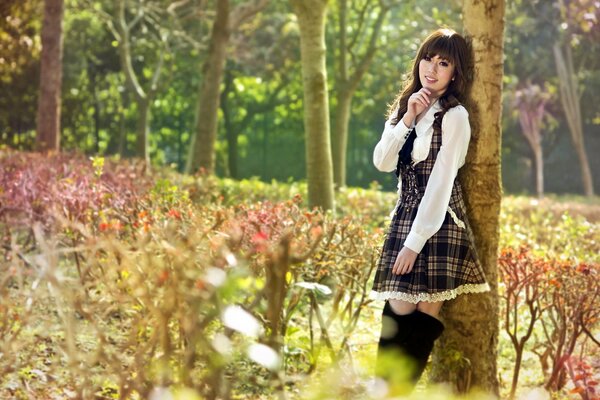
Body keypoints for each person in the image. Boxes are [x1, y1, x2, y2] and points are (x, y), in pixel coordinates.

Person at [370, 28, 490, 393]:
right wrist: (407, 119)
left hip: (439, 224)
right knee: (397, 311)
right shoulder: (409, 107)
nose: (432, 69)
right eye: (428, 59)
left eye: (444, 63)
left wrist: (414, 242)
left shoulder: (455, 118)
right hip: (405, 216)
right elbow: (382, 162)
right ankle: (386, 390)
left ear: (456, 73)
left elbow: (441, 183)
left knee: (423, 314)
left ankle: (395, 392)